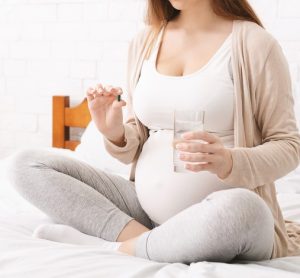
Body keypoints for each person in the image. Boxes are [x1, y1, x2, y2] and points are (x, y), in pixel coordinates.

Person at [7, 0, 300, 264]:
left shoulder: (254, 44)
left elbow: (288, 144)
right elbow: (139, 133)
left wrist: (230, 161)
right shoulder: (145, 41)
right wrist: (115, 132)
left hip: (225, 212)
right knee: (25, 165)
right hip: (146, 212)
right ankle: (147, 240)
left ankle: (118, 248)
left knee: (243, 209)